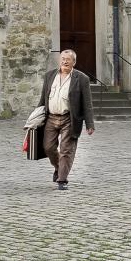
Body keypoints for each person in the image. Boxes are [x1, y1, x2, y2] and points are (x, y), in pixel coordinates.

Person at [38, 49, 95, 190]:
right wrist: (35, 118)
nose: (65, 61)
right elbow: (42, 99)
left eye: (68, 59)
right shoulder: (49, 76)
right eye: (63, 58)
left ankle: (62, 180)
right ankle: (58, 167)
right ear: (60, 60)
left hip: (69, 118)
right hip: (51, 117)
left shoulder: (82, 79)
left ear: (73, 62)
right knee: (48, 147)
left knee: (66, 150)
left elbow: (87, 104)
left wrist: (90, 123)